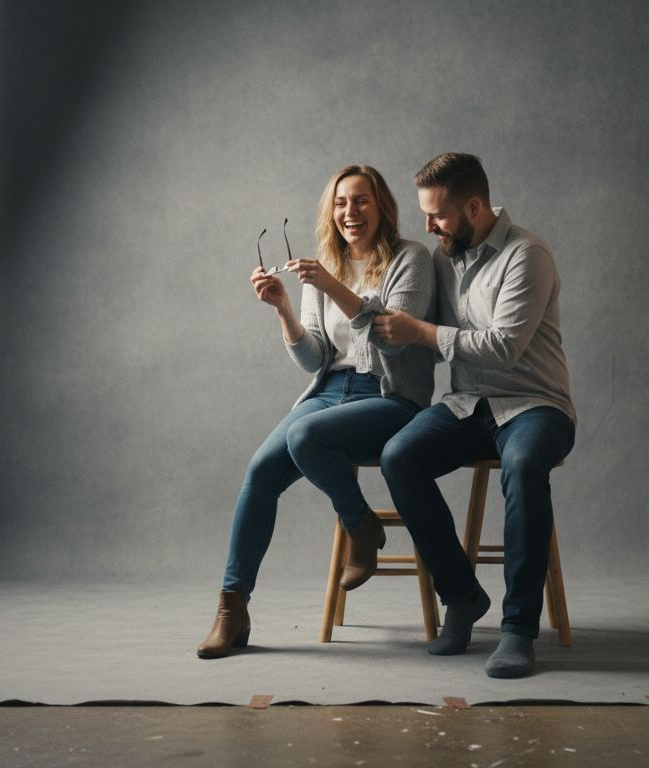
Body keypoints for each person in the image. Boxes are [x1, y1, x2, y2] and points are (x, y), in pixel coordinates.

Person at [198, 165, 436, 659]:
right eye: (342, 202)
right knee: (261, 470)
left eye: (362, 200)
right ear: (332, 211)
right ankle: (232, 608)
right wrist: (284, 308)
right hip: (329, 392)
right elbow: (316, 359)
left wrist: (331, 287)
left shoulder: (410, 259)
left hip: (390, 396)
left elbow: (391, 341)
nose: (351, 212)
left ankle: (359, 525)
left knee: (304, 438)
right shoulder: (323, 266)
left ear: (382, 206)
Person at [373, 152, 575, 678]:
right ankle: (462, 598)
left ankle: (517, 631)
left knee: (526, 465)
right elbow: (411, 312)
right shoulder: (443, 256)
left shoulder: (527, 254)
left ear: (475, 206)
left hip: (536, 405)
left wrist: (420, 334)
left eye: (437, 215)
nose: (428, 226)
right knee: (399, 456)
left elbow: (504, 346)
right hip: (469, 407)